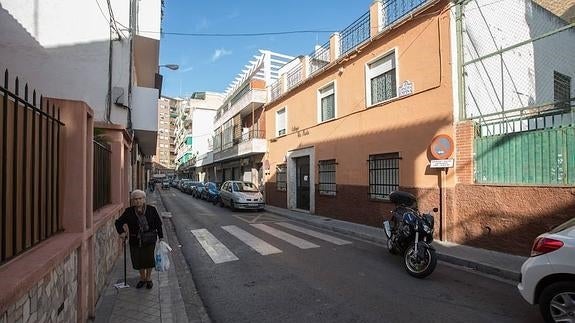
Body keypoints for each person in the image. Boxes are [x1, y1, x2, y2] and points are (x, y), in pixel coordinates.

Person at [115, 189, 163, 289]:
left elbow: (158, 223)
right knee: (138, 260)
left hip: (149, 239)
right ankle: (142, 278)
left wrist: (161, 237)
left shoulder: (151, 210)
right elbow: (118, 222)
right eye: (135, 199)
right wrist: (122, 232)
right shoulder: (129, 211)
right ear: (132, 201)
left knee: (149, 259)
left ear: (144, 199)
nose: (137, 201)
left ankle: (149, 278)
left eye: (140, 198)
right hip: (135, 240)